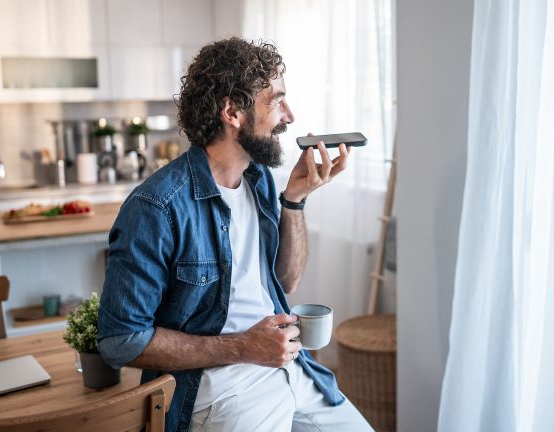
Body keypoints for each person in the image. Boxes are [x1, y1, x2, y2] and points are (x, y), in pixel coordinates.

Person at [98, 37, 374, 432]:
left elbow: (286, 281)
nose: (290, 116)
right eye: (276, 101)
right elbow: (119, 340)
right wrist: (244, 347)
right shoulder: (157, 207)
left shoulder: (258, 181)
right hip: (219, 391)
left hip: (294, 372)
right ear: (232, 112)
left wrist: (294, 200)